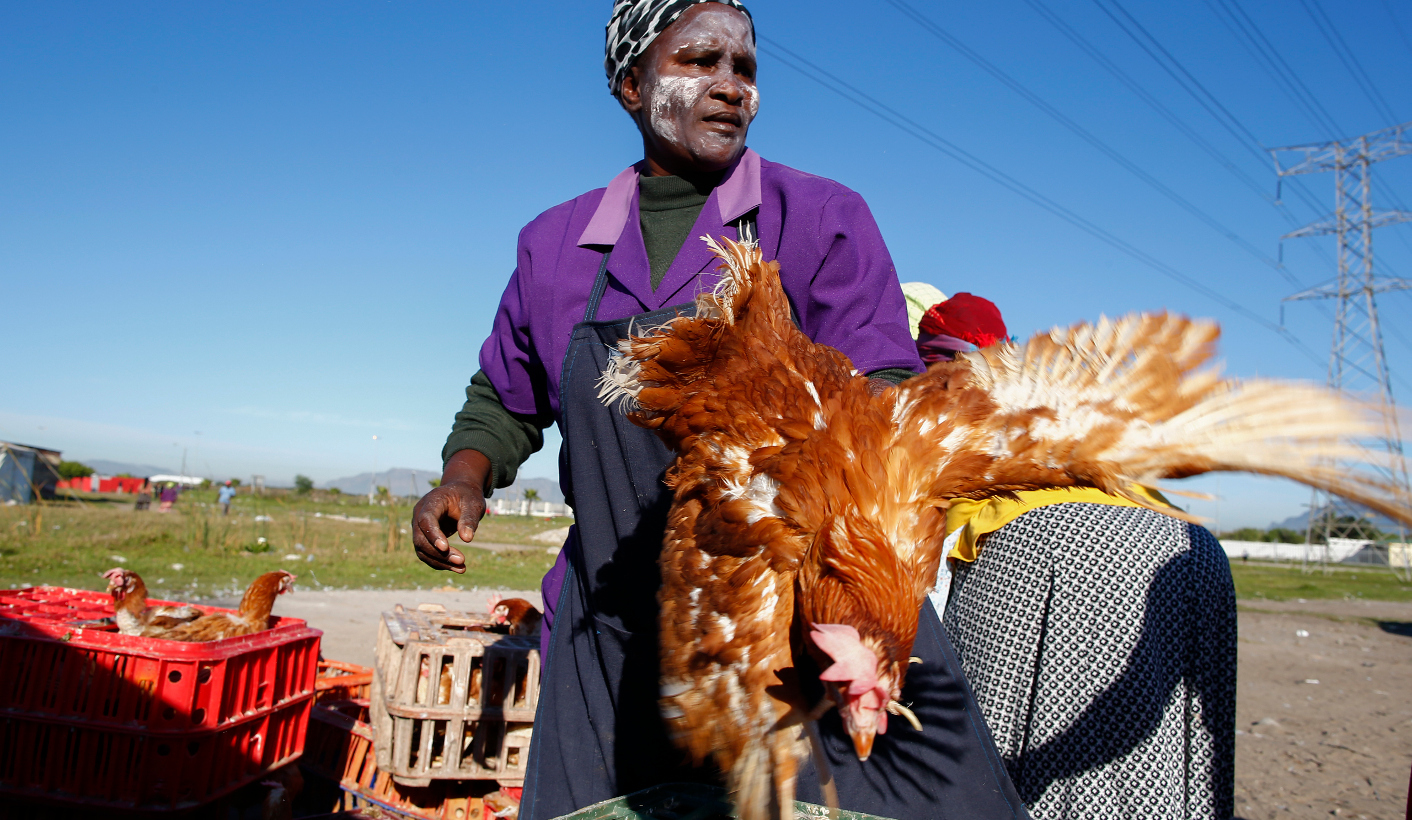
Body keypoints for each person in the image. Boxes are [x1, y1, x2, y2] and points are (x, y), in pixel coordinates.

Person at [411, 4, 1029, 819]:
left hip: (792, 637)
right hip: (614, 641)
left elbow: (882, 387)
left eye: (746, 68)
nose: (732, 86)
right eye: (701, 61)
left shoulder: (818, 218)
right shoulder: (554, 245)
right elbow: (505, 393)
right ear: (632, 85)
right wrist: (463, 477)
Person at [905, 290, 1236, 819]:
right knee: (1175, 751)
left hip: (1045, 545)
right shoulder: (1046, 398)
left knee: (1002, 766)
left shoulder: (921, 408)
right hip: (1189, 546)